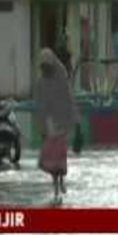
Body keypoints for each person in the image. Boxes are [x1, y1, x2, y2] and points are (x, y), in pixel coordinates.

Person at [35, 48, 79, 204]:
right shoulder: (41, 81)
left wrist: (75, 120)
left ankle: (61, 181)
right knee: (51, 156)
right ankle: (55, 186)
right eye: (43, 66)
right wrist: (42, 127)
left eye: (47, 66)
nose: (45, 69)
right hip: (50, 121)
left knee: (60, 156)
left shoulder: (62, 77)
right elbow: (40, 105)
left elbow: (69, 98)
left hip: (62, 120)